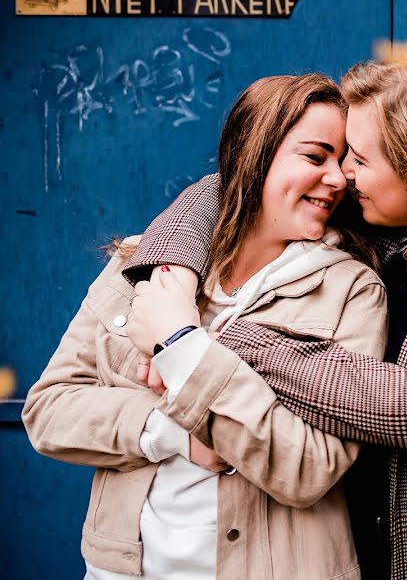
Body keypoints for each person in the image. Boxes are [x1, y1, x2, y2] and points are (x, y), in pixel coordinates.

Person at [125, 58, 407, 579]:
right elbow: (228, 187)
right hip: (345, 545)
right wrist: (175, 277)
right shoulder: (383, 228)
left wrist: (216, 338)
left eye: (359, 159)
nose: (343, 176)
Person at [22, 74, 388, 580]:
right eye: (315, 156)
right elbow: (48, 410)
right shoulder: (142, 265)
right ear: (252, 154)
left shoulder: (353, 291)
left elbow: (312, 466)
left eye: (344, 161)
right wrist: (173, 432)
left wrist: (181, 347)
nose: (338, 178)